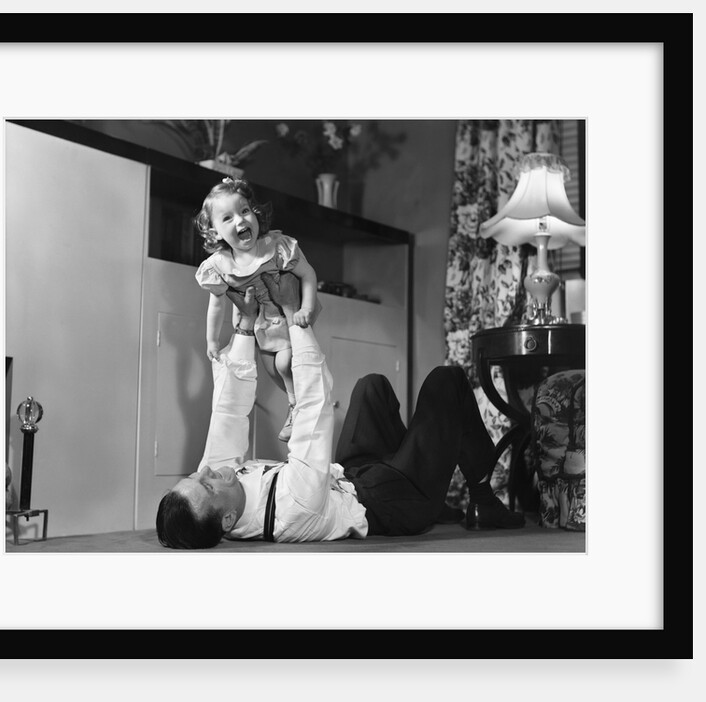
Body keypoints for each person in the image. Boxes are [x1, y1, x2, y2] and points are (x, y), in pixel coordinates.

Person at [156, 271, 525, 549]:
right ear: (228, 520)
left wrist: (246, 326)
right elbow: (313, 409)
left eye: (195, 475)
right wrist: (292, 311)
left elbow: (229, 412)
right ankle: (483, 500)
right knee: (447, 381)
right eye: (205, 484)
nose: (206, 470)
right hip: (394, 502)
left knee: (372, 387)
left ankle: (437, 496)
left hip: (352, 475)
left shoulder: (221, 481)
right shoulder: (292, 508)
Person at [194, 177, 319, 442]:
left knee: (285, 364)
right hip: (262, 327)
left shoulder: (275, 247)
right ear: (215, 233)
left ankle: (299, 409)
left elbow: (308, 274)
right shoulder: (219, 265)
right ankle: (298, 403)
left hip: (287, 316)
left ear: (255, 213)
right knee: (272, 370)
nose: (240, 220)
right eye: (227, 218)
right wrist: (211, 340)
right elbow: (216, 304)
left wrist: (306, 308)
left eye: (244, 211)